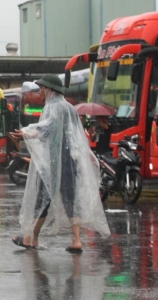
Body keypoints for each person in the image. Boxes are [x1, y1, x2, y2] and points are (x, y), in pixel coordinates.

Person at [11, 74, 110, 252]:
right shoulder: (70, 108)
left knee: (42, 199)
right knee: (71, 199)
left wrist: (28, 132)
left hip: (53, 162)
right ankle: (77, 240)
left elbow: (49, 128)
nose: (39, 91)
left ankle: (29, 238)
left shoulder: (52, 107)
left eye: (41, 88)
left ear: (49, 89)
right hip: (71, 160)